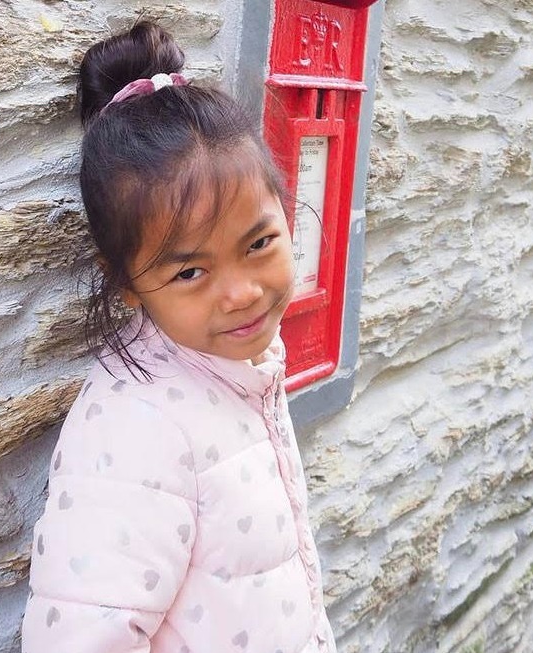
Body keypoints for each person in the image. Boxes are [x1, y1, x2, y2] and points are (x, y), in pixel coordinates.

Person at [22, 20, 337, 653]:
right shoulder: (135, 430)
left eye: (259, 243)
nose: (242, 292)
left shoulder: (238, 363)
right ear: (127, 283)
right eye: (190, 271)